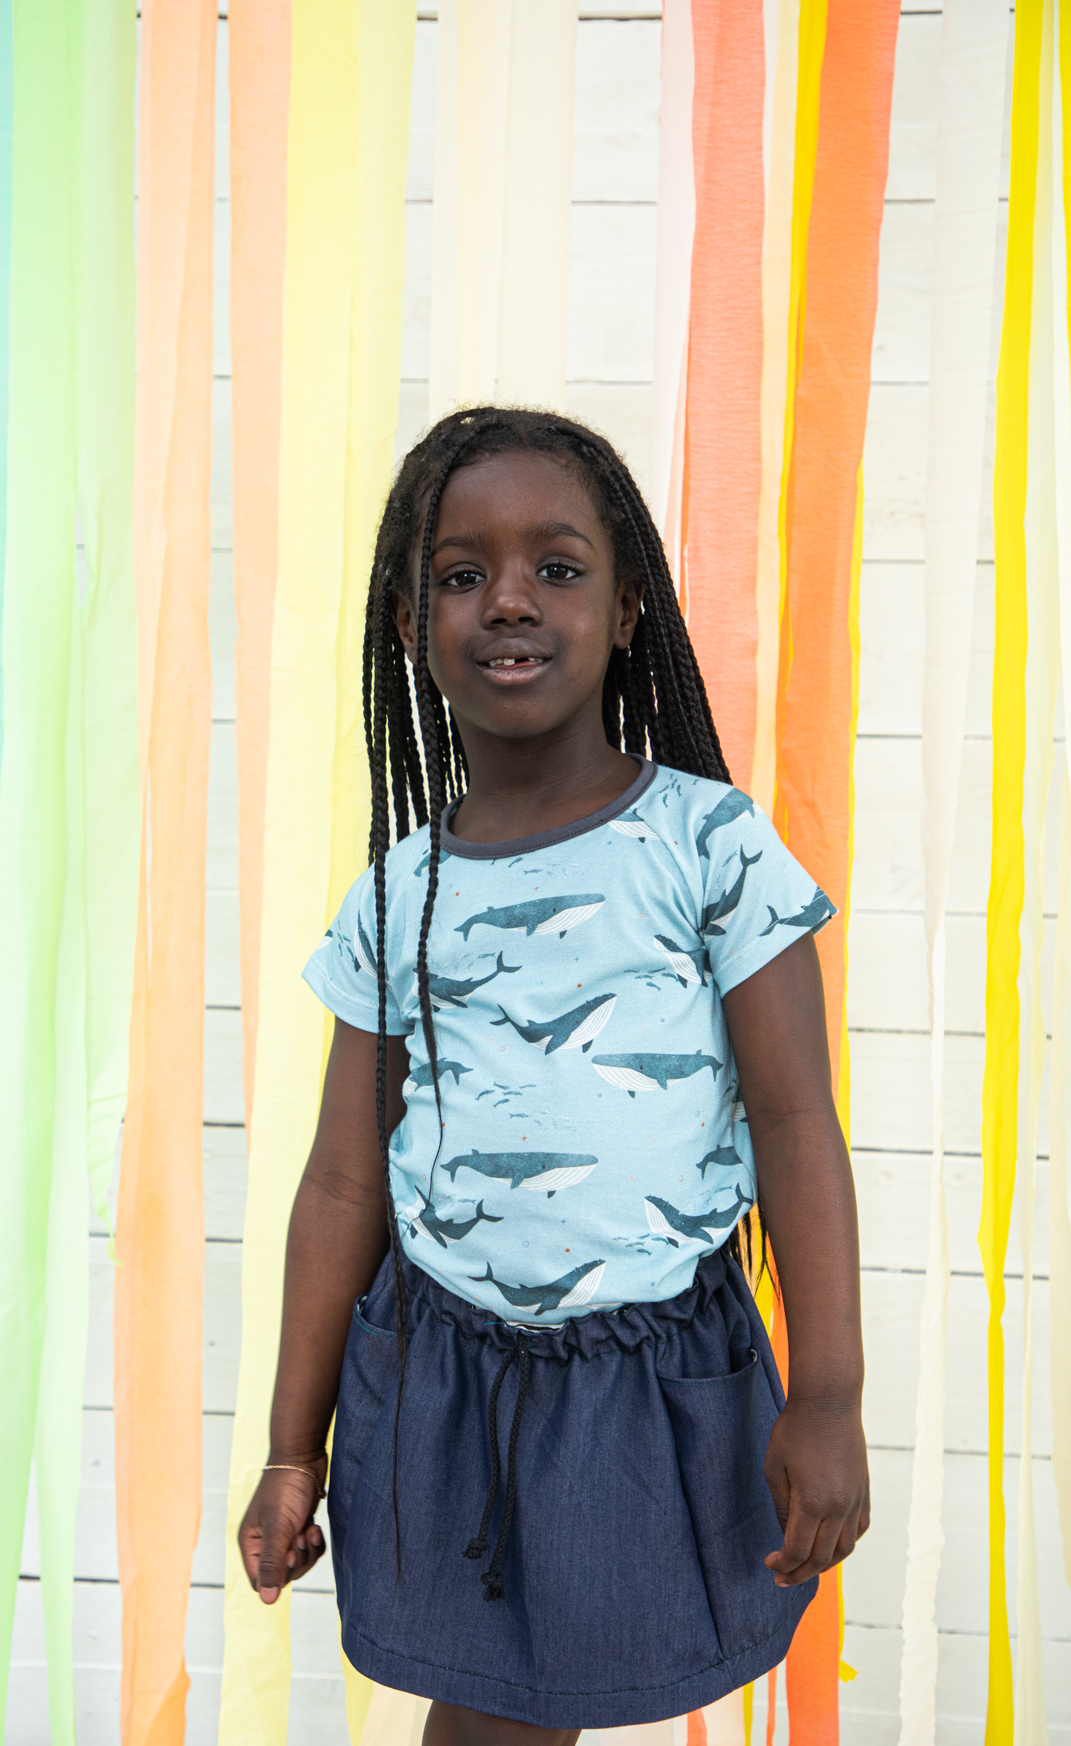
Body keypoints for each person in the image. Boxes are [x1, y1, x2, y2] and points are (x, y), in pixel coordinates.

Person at [238, 408, 869, 1742]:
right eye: (461, 574)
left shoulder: (709, 845)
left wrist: (827, 1394)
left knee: (518, 1717)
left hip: (641, 1377)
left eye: (558, 568)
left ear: (627, 608)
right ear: (409, 625)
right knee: (487, 1713)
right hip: (438, 1372)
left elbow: (795, 1120)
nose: (509, 601)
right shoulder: (398, 896)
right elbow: (343, 1179)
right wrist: (294, 1448)